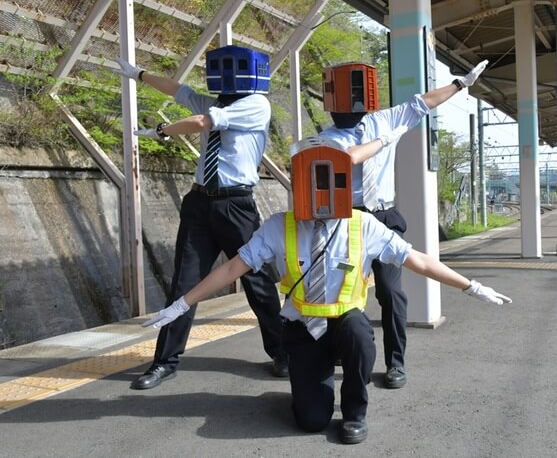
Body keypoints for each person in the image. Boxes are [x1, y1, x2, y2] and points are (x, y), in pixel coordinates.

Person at [142, 138, 511, 444]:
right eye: (310, 180)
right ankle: (309, 391)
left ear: (342, 183)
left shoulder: (362, 224)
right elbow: (231, 267)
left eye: (329, 179)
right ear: (297, 183)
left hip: (345, 320)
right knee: (311, 421)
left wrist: (471, 286)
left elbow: (417, 259)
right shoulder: (278, 227)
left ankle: (354, 411)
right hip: (303, 328)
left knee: (358, 334)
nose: (320, 191)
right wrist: (182, 303)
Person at [113, 45, 288, 390]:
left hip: (236, 204)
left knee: (256, 281)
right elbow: (180, 91)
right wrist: (138, 75)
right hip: (199, 202)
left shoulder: (256, 104)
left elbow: (203, 123)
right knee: (184, 283)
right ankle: (165, 361)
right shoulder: (215, 102)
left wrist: (162, 130)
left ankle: (283, 351)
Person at [318, 60, 489, 389]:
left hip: (383, 216)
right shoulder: (327, 137)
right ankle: (338, 348)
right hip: (347, 219)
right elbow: (349, 157)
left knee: (391, 292)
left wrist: (459, 84)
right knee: (337, 289)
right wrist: (384, 141)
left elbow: (423, 102)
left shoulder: (386, 119)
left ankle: (396, 361)